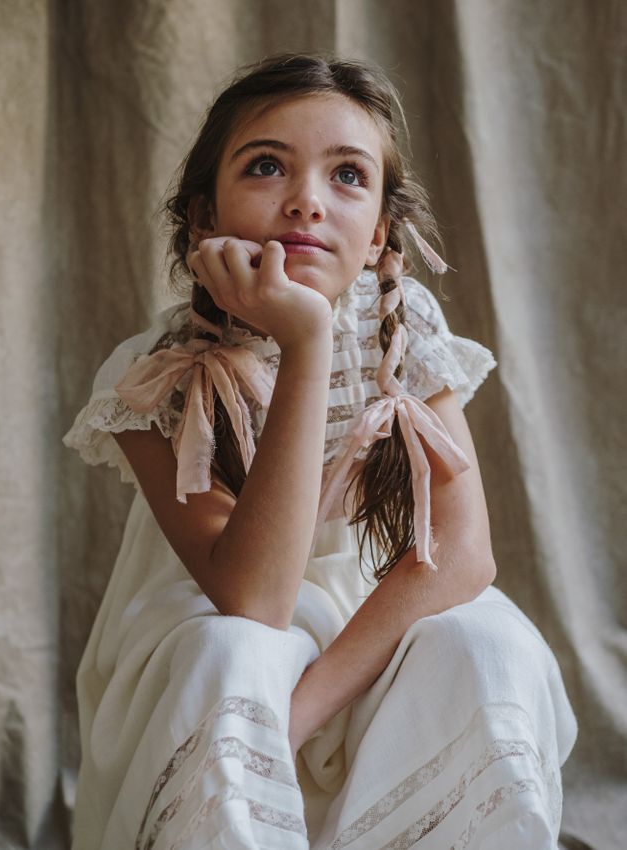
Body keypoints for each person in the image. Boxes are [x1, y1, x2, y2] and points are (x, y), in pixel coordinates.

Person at [63, 52, 577, 850]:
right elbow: (255, 600)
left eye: (346, 175)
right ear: (203, 216)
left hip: (374, 621)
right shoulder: (154, 373)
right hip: (219, 620)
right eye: (267, 166)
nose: (306, 201)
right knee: (230, 652)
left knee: (487, 640)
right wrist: (305, 341)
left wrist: (297, 715)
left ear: (378, 234)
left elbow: (461, 553)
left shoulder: (403, 329)